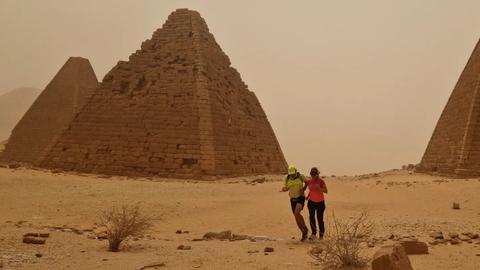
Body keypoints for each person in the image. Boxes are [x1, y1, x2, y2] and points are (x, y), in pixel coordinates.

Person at [281, 165, 309, 241]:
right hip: (292, 199)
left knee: (297, 212)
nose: (292, 175)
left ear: (296, 172)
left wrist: (303, 189)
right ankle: (304, 232)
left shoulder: (301, 176)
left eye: (293, 174)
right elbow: (286, 188)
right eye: (291, 174)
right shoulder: (287, 178)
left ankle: (305, 228)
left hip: (300, 197)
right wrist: (284, 189)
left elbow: (307, 182)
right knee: (296, 216)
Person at [304, 167, 328, 240]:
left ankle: (321, 235)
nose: (313, 176)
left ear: (317, 174)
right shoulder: (309, 182)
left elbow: (326, 191)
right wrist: (307, 197)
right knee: (311, 217)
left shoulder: (321, 181)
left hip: (320, 202)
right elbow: (311, 190)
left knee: (320, 218)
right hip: (311, 202)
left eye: (314, 174)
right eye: (312, 174)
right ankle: (313, 233)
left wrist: (320, 189)